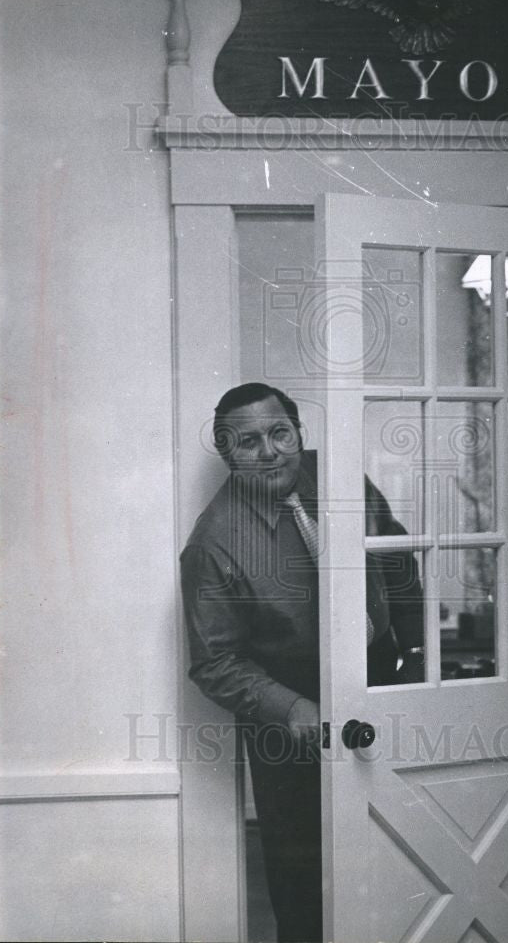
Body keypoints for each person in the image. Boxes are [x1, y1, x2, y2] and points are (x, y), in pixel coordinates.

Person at [180, 382, 424, 943]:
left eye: (279, 433)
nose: (269, 451)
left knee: (403, 854)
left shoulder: (339, 478)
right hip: (290, 715)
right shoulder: (212, 543)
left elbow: (398, 553)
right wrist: (293, 711)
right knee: (306, 881)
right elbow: (214, 661)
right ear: (227, 452)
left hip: (381, 674)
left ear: (298, 433)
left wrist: (413, 655)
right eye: (248, 442)